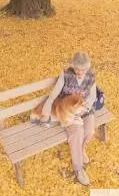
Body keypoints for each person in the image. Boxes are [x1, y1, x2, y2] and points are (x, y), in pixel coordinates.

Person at [40, 51, 96, 186]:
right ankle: (78, 169)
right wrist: (46, 110)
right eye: (77, 69)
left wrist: (85, 109)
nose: (80, 72)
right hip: (68, 111)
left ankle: (81, 149)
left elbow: (92, 97)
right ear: (73, 66)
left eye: (83, 69)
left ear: (87, 68)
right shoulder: (65, 75)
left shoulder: (91, 77)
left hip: (84, 109)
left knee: (89, 132)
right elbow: (53, 95)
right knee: (77, 133)